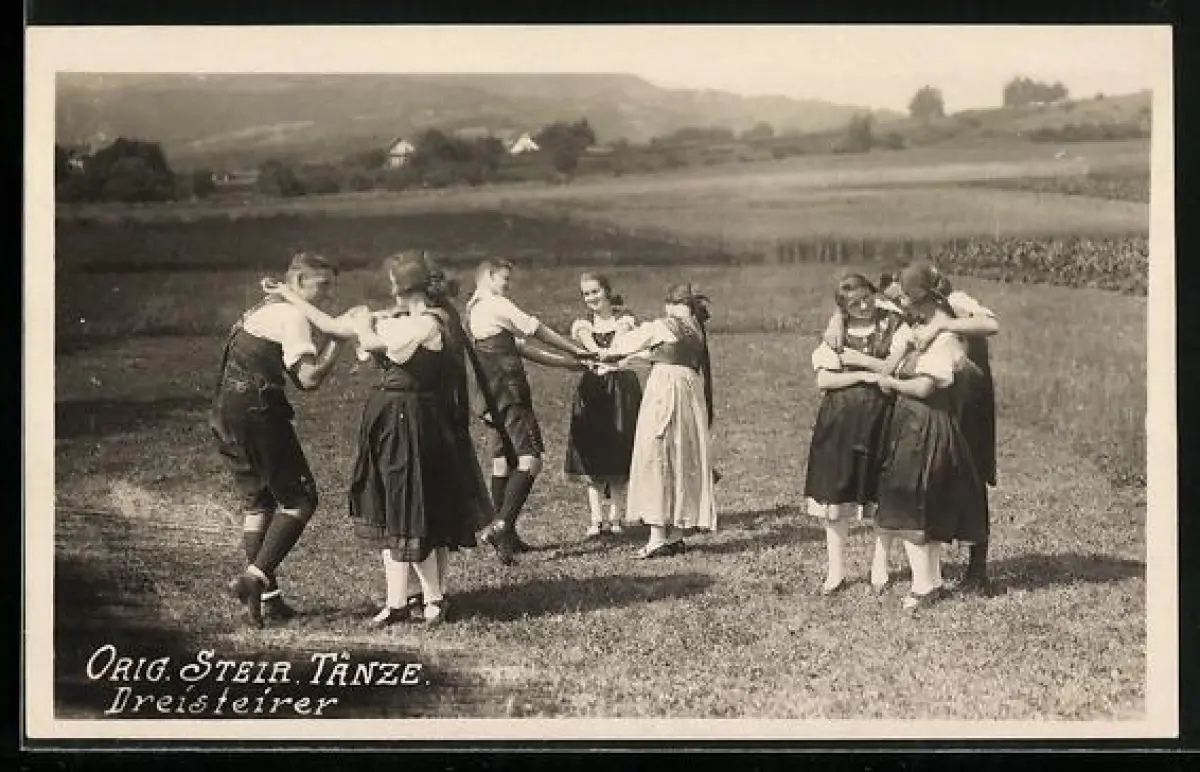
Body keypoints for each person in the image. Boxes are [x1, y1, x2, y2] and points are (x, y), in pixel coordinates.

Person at [264, 253, 494, 627]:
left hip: (410, 419)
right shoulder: (407, 319)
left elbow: (369, 342)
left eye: (392, 282)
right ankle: (398, 601)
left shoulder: (424, 323)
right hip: (395, 418)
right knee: (392, 507)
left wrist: (362, 321)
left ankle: (434, 599)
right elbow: (335, 327)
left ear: (402, 287)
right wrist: (292, 296)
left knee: (411, 509)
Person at [212, 251, 354, 628]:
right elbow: (308, 379)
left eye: (332, 286)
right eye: (323, 285)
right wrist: (338, 341)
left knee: (259, 503)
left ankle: (269, 601)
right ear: (298, 283)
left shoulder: (263, 307)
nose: (329, 294)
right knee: (301, 500)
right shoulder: (293, 316)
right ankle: (254, 579)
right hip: (258, 414)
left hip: (226, 414)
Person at [467, 259, 595, 565]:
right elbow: (536, 329)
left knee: (503, 461)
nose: (508, 285)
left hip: (490, 397)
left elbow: (521, 347)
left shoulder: (474, 309)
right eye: (504, 279)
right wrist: (575, 349)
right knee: (531, 459)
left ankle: (506, 541)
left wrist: (567, 363)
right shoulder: (496, 304)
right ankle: (501, 526)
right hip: (511, 393)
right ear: (488, 276)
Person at [872, 290, 990, 612]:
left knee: (913, 502)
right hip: (912, 423)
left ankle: (923, 586)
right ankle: (932, 580)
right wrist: (904, 349)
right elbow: (887, 367)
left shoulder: (945, 341)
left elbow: (923, 387)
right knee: (917, 500)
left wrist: (893, 384)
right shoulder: (918, 335)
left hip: (926, 424)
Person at [805, 273, 911, 595]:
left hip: (883, 418)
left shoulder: (894, 324)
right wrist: (865, 375)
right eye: (854, 303)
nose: (864, 306)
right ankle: (835, 570)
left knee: (882, 491)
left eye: (867, 298)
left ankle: (880, 565)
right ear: (843, 307)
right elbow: (825, 380)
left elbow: (895, 368)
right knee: (836, 492)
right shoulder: (837, 331)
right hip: (841, 420)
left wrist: (855, 362)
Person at [897, 262, 1000, 594]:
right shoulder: (909, 310)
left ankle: (977, 569)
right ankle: (933, 567)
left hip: (970, 400)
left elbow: (991, 324)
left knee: (973, 473)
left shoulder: (957, 302)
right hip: (940, 401)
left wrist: (942, 325)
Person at [600, 283, 716, 558]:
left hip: (666, 394)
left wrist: (623, 327)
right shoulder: (696, 330)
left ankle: (657, 538)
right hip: (689, 394)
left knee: (657, 455)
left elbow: (625, 344)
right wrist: (623, 361)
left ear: (671, 305)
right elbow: (658, 354)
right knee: (682, 457)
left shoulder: (665, 325)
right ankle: (676, 535)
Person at [565, 273, 644, 538]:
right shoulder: (583, 323)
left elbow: (622, 338)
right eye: (586, 294)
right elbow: (587, 341)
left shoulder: (625, 318)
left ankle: (616, 517)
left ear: (607, 291)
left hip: (621, 389)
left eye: (595, 291)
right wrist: (598, 353)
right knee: (594, 449)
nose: (591, 298)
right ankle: (596, 519)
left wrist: (609, 356)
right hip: (594, 389)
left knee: (619, 448)